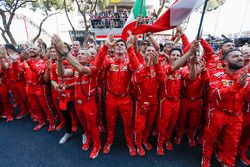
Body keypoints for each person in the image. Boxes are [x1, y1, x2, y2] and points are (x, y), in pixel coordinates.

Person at [53, 35, 101, 159]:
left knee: (92, 125)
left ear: (90, 58)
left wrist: (65, 52)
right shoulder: (74, 70)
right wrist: (59, 58)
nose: (79, 55)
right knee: (84, 125)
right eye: (78, 54)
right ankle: (88, 139)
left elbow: (80, 68)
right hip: (77, 103)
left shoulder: (92, 68)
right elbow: (61, 73)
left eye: (83, 54)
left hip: (89, 103)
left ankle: (97, 145)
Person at [94, 34, 139, 156]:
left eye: (122, 45)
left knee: (127, 124)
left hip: (126, 99)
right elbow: (97, 66)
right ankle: (109, 142)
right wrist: (105, 47)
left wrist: (130, 47)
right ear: (114, 48)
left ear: (125, 49)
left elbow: (136, 69)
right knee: (111, 122)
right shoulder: (109, 60)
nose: (119, 46)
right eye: (117, 44)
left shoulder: (129, 60)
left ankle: (130, 143)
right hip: (111, 98)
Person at [201, 49, 248, 167]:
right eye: (235, 56)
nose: (240, 58)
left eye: (241, 56)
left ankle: (228, 163)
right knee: (210, 137)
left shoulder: (246, 77)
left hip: (237, 116)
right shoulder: (217, 75)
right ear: (225, 62)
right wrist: (237, 87)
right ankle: (206, 158)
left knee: (232, 143)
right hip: (217, 112)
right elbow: (214, 94)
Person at [157, 42, 199, 156]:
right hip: (165, 101)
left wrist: (193, 65)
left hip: (177, 101)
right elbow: (174, 66)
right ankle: (160, 143)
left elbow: (192, 78)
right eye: (173, 55)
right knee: (163, 123)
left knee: (172, 124)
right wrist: (189, 51)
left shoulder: (182, 70)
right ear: (169, 56)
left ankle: (167, 140)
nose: (175, 57)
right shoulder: (164, 67)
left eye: (177, 55)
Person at [132, 45, 165, 156]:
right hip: (142, 101)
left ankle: (144, 139)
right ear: (144, 53)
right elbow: (137, 80)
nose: (150, 52)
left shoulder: (158, 66)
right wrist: (147, 66)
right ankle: (138, 144)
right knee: (139, 125)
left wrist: (156, 64)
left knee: (149, 123)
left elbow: (162, 79)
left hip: (154, 101)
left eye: (152, 51)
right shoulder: (139, 66)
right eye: (148, 51)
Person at [20, 45, 55, 131]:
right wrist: (13, 61)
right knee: (35, 107)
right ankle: (41, 121)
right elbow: (17, 72)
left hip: (40, 87)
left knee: (45, 106)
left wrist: (28, 61)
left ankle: (52, 122)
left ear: (39, 52)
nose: (31, 50)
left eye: (34, 49)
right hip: (29, 87)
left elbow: (39, 72)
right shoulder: (25, 63)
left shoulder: (43, 62)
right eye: (30, 48)